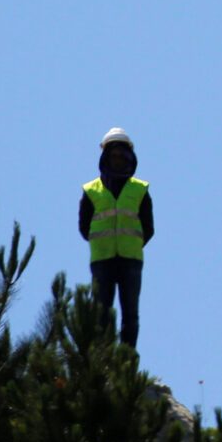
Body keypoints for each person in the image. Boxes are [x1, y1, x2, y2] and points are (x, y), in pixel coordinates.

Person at [80, 127, 153, 348]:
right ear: (106, 157)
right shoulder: (91, 190)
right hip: (102, 260)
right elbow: (84, 227)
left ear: (130, 157)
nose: (118, 160)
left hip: (130, 260)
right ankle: (103, 361)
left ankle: (126, 361)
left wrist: (132, 244)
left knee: (130, 313)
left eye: (123, 156)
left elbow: (148, 227)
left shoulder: (140, 190)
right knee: (101, 313)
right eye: (114, 155)